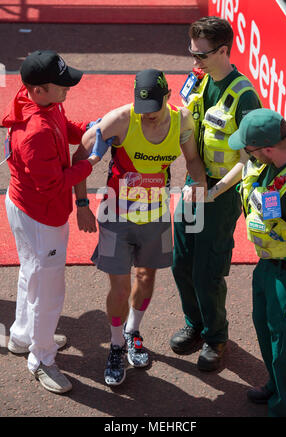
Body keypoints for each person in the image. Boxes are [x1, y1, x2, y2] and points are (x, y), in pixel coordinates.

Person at [72, 68, 206, 386]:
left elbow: (192, 160)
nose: (146, 116)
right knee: (118, 288)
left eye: (153, 109)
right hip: (115, 217)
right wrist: (81, 205)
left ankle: (133, 331)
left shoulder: (183, 120)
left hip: (156, 215)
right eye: (141, 109)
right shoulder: (120, 119)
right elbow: (79, 154)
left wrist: (198, 182)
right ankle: (117, 345)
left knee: (146, 278)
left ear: (168, 98)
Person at [2, 50, 103, 394]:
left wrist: (88, 129)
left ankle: (22, 335)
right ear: (40, 89)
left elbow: (64, 126)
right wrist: (91, 160)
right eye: (61, 85)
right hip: (41, 215)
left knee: (31, 272)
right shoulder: (35, 132)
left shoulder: (39, 101)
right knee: (49, 289)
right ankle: (42, 358)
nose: (67, 90)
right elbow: (53, 183)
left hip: (24, 205)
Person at [170, 16, 262, 371]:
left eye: (201, 56)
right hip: (196, 185)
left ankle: (215, 336)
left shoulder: (244, 96)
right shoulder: (199, 80)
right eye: (192, 54)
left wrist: (216, 190)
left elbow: (250, 159)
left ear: (223, 51)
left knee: (208, 270)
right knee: (181, 262)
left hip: (221, 195)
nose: (195, 63)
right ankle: (194, 323)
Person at [228, 108, 286, 417]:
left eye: (249, 148)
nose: (246, 154)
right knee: (264, 328)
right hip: (268, 265)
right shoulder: (274, 155)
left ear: (268, 148)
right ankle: (276, 384)